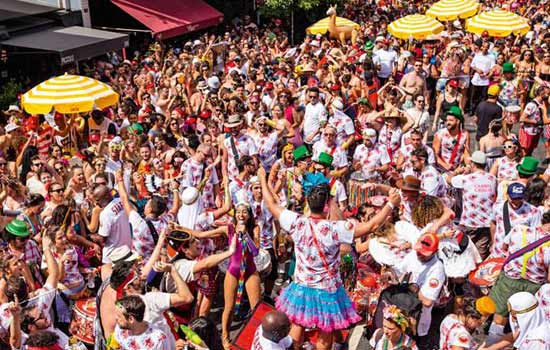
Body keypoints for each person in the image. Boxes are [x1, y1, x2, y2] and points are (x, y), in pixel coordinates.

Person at [259, 163, 400, 350]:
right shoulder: (335, 229)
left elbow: (271, 204)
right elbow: (372, 226)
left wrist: (263, 178)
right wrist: (391, 203)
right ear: (327, 206)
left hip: (301, 287)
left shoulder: (296, 222)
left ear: (308, 202)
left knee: (298, 325)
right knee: (325, 331)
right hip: (327, 290)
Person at [487, 211, 550, 344]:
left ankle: (490, 345)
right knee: (526, 322)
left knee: (499, 319)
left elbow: (504, 248)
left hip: (509, 281)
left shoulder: (518, 230)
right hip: (534, 287)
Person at [447, 151, 497, 259]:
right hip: (486, 222)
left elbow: (448, 180)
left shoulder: (466, 179)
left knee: (464, 251)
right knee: (480, 253)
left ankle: (465, 273)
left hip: (469, 222)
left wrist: (457, 171)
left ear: (473, 164)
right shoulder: (493, 179)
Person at [433, 106, 470, 172]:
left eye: (451, 120)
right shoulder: (439, 134)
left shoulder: (465, 134)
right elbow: (434, 154)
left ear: (458, 121)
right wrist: (445, 165)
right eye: (446, 120)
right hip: (442, 169)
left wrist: (468, 166)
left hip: (458, 170)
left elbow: (466, 153)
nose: (447, 123)